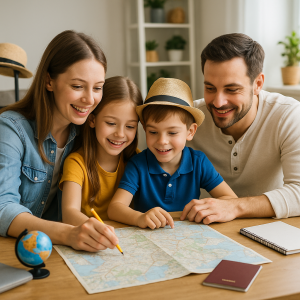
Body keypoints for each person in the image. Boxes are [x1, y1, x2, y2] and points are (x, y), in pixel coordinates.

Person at [0, 30, 119, 252]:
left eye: (98, 87)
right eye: (77, 86)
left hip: (58, 252)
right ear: (49, 81)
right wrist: (69, 234)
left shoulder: (88, 132)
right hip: (12, 250)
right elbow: (3, 208)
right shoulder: (10, 128)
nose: (90, 99)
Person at [185, 33, 300, 224]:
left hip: (268, 229)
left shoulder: (288, 115)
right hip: (203, 228)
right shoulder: (190, 118)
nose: (218, 102)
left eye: (232, 89)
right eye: (210, 88)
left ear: (258, 84)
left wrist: (234, 206)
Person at [107, 78, 237, 229]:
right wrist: (140, 217)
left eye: (172, 132)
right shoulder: (138, 164)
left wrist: (206, 208)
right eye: (153, 132)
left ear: (190, 131)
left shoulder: (199, 162)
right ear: (144, 129)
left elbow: (230, 199)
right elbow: (115, 208)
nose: (162, 141)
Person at [59, 76, 143, 250]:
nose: (120, 134)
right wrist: (98, 229)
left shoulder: (138, 160)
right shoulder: (76, 163)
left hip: (130, 243)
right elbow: (69, 213)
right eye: (111, 123)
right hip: (89, 244)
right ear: (92, 120)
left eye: (130, 126)